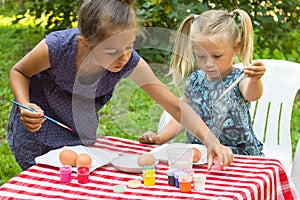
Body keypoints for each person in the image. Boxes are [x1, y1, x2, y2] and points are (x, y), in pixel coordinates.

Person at [8, 0, 233, 170]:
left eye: (129, 46)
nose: (123, 57)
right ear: (85, 44)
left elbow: (174, 106)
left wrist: (212, 141)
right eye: (112, 51)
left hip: (75, 135)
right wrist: (24, 105)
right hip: (35, 130)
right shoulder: (57, 48)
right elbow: (19, 71)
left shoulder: (129, 61)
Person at [139, 9, 266, 156]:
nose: (209, 63)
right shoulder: (195, 81)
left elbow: (252, 94)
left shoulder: (239, 79)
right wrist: (159, 138)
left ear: (235, 48)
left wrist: (255, 79)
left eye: (217, 56)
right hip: (202, 155)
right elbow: (183, 116)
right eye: (201, 56)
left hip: (238, 157)